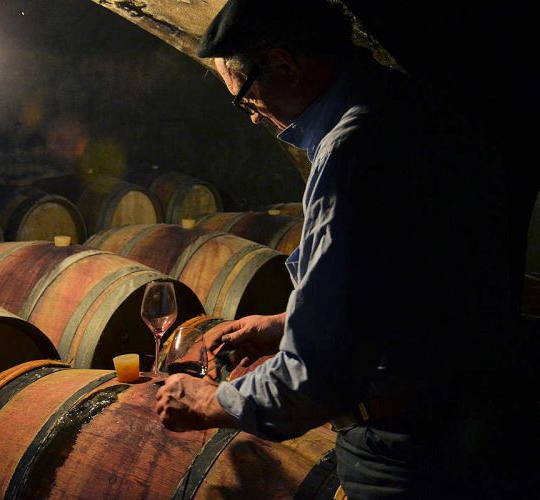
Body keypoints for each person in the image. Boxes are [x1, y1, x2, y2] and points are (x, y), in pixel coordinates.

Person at [155, 1, 537, 498]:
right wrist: (286, 325)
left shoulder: (351, 150)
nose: (251, 117)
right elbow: (408, 289)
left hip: (406, 451)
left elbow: (318, 377)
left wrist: (211, 401)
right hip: (469, 420)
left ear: (285, 65)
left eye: (243, 98)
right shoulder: (413, 104)